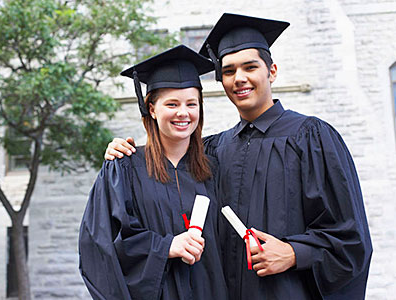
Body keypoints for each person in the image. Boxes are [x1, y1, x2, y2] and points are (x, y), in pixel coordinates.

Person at [103, 13, 373, 300]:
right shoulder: (212, 150)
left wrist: (295, 253)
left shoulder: (311, 138)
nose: (239, 78)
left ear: (272, 71)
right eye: (229, 71)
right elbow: (166, 191)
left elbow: (351, 239)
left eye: (250, 67)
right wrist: (124, 152)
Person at [79, 45, 228, 300]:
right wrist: (166, 246)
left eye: (192, 104)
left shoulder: (215, 167)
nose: (183, 113)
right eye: (172, 103)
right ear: (151, 108)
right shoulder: (123, 167)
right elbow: (100, 244)